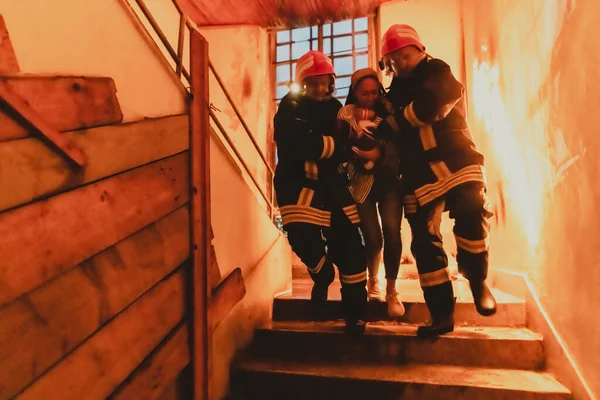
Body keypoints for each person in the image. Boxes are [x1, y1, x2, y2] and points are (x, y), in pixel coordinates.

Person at [365, 24, 497, 336]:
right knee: (424, 242)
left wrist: (396, 121)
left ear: (420, 51)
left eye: (405, 56)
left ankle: (477, 280)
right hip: (418, 173)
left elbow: (436, 103)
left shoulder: (438, 71)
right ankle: (441, 314)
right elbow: (384, 128)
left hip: (457, 159)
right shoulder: (392, 95)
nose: (400, 64)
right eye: (393, 61)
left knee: (471, 209)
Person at [273, 50, 368, 334]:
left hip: (334, 188)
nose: (319, 88)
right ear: (303, 84)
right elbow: (295, 144)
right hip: (297, 184)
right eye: (312, 82)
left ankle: (356, 314)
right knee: (301, 236)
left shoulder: (337, 107)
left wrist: (331, 146)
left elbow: (344, 142)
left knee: (350, 248)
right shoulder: (289, 106)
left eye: (323, 82)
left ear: (331, 82)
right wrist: (334, 147)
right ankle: (322, 273)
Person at [337, 68, 405, 317]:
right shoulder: (345, 114)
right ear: (354, 92)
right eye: (364, 93)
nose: (370, 97)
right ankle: (373, 281)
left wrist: (380, 152)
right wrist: (360, 150)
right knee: (373, 237)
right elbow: (342, 145)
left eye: (374, 92)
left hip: (388, 181)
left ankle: (392, 289)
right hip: (360, 182)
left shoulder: (389, 110)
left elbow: (399, 141)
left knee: (392, 233)